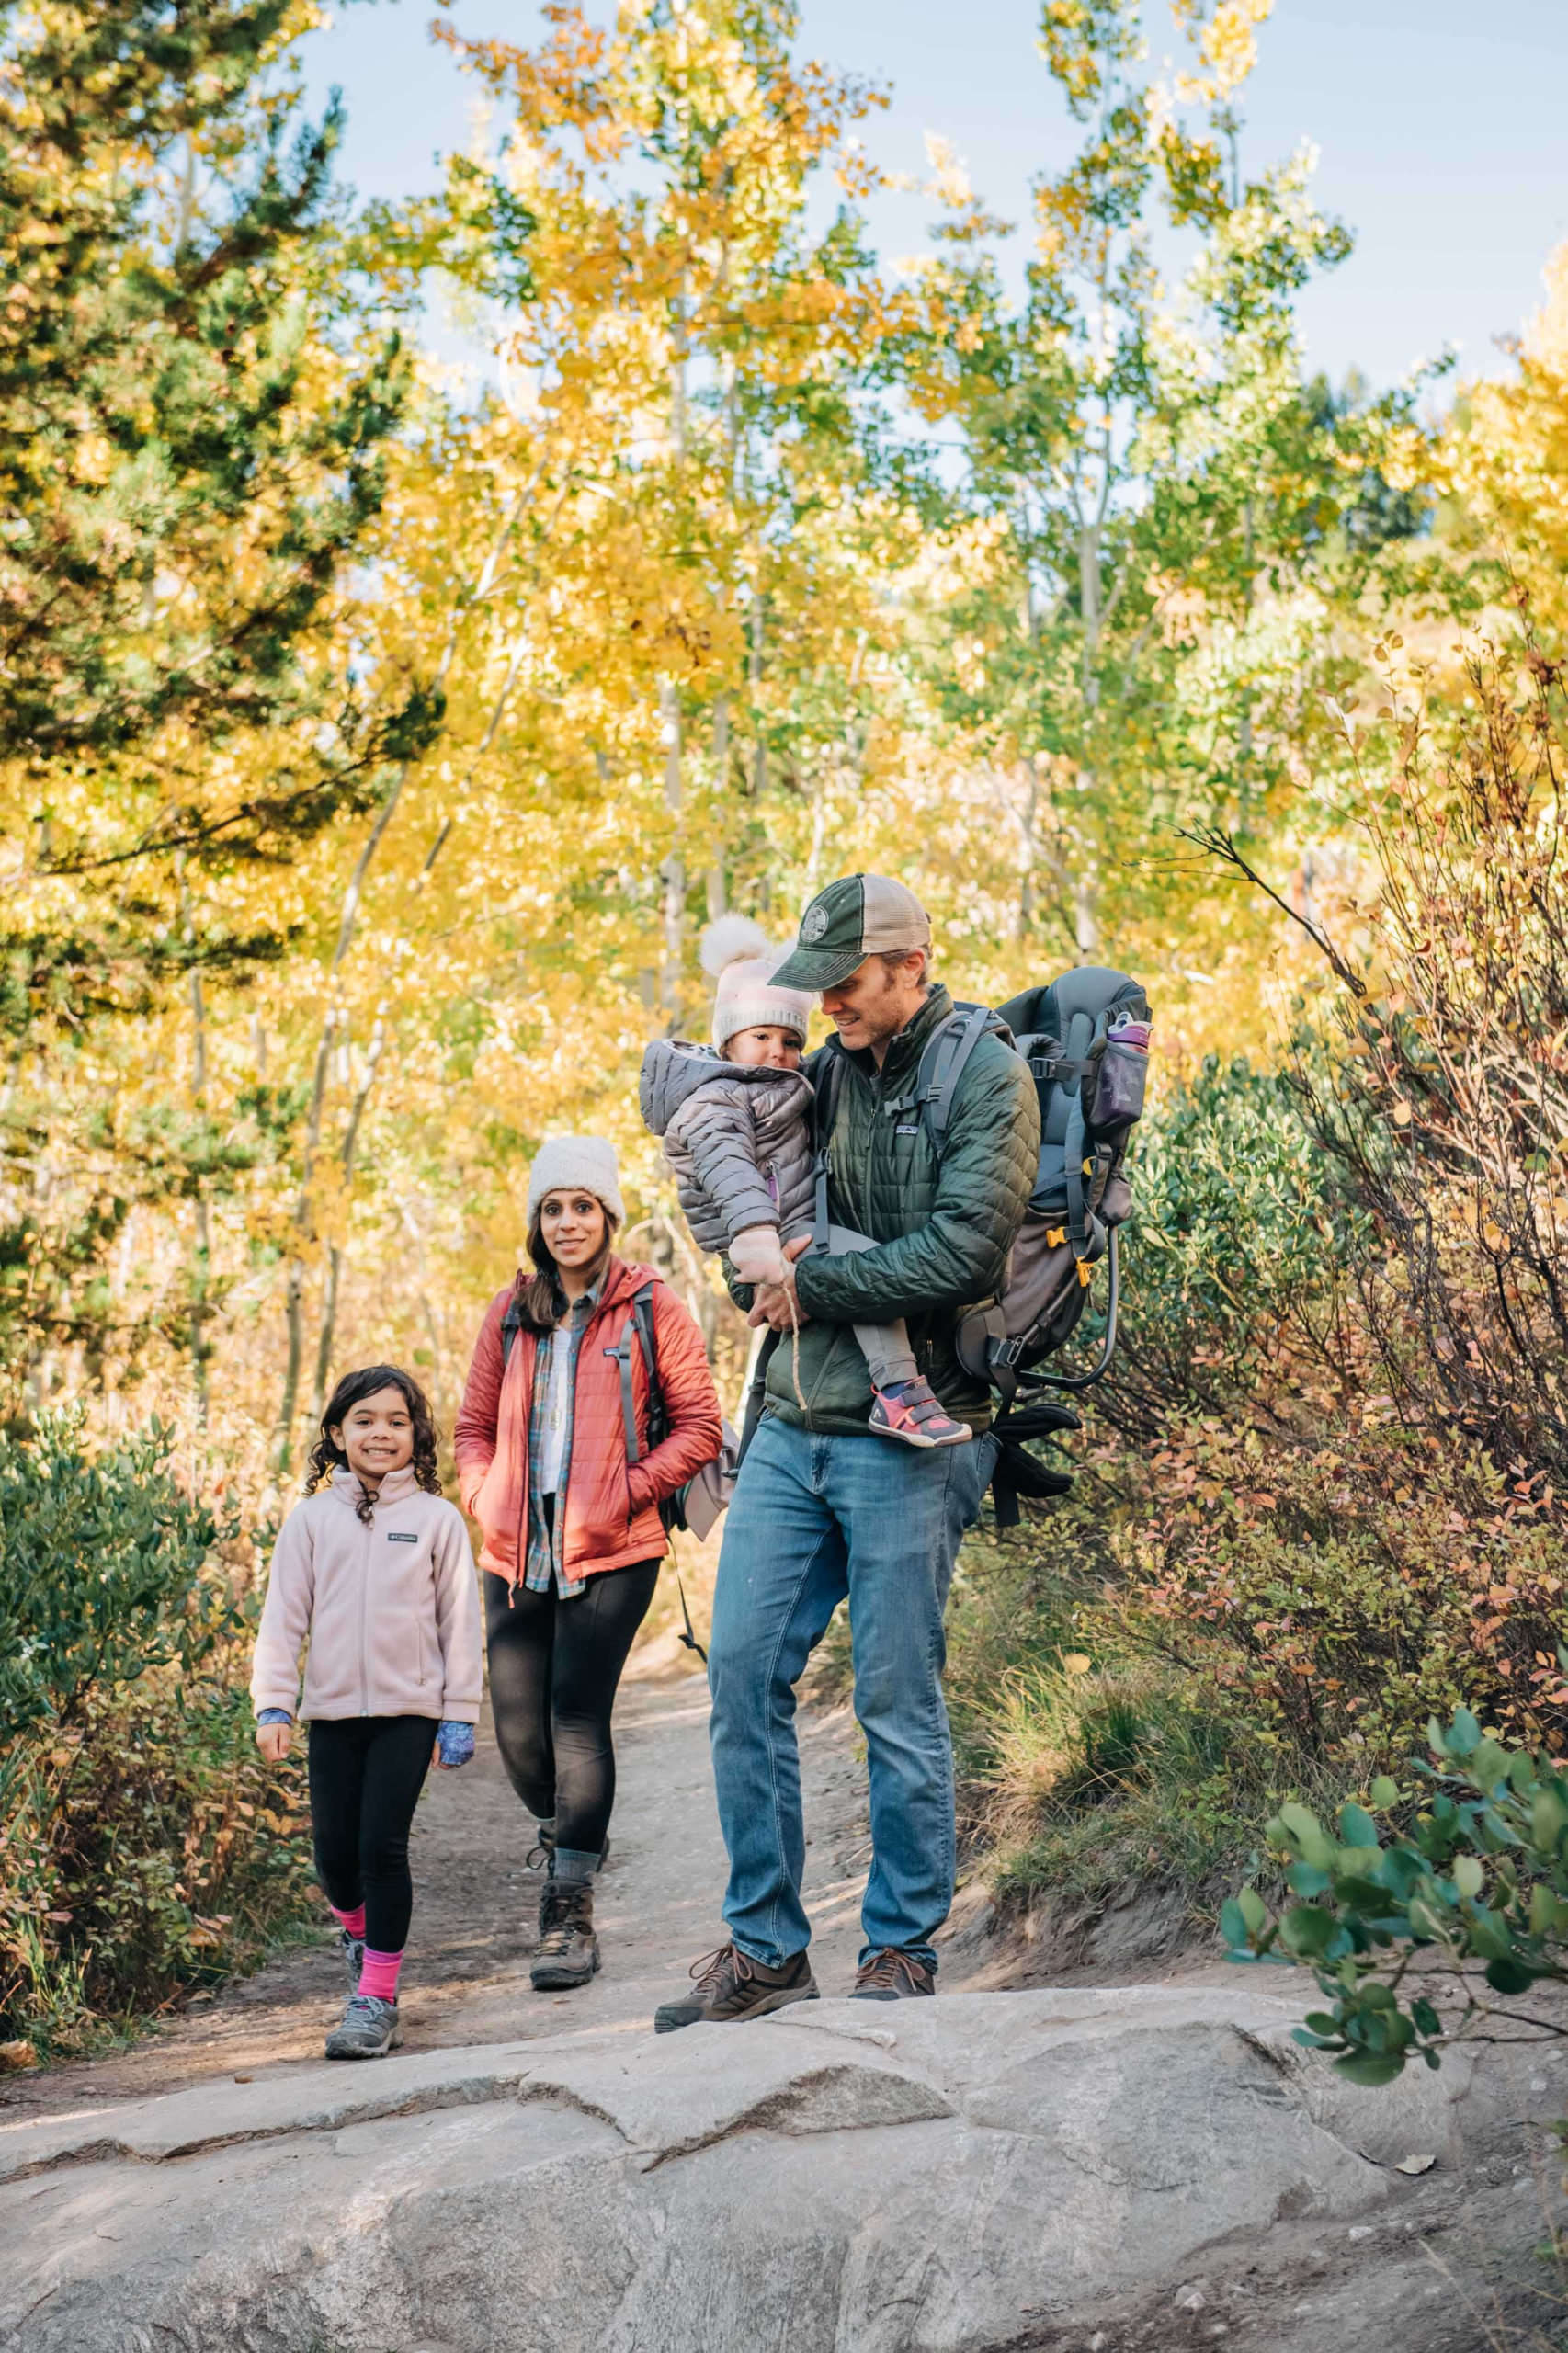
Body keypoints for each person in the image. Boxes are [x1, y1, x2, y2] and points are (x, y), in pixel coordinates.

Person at [655, 873, 1040, 2031]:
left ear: (909, 964)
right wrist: (749, 1252)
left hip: (911, 1431)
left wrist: (802, 1279)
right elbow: (746, 1224)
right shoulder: (816, 1070)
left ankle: (900, 1948)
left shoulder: (985, 1073)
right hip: (791, 1422)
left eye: (844, 981)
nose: (822, 1002)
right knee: (737, 1676)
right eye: (813, 981)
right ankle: (767, 1947)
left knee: (894, 1697)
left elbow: (963, 1256)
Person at [454, 1138, 722, 1992]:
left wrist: (627, 1493)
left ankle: (568, 1908)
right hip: (513, 1550)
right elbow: (468, 1428)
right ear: (536, 1222)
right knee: (519, 1735)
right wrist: (481, 1494)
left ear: (608, 1216)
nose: (567, 1222)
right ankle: (570, 1831)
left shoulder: (650, 1305)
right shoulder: (509, 1312)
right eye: (552, 1207)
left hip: (614, 1549)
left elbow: (700, 1425)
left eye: (582, 1206)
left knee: (576, 1719)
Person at [640, 915, 971, 1447]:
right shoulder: (714, 1100)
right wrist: (755, 1237)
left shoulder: (783, 1086)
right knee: (859, 1265)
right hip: (763, 1232)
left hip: (784, 1226)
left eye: (791, 1039)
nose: (779, 1050)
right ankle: (899, 1391)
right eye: (761, 1035)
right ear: (728, 1044)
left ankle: (896, 1390)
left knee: (853, 1270)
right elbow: (729, 1172)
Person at [251, 1365, 483, 2062]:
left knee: (382, 1846)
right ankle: (359, 1938)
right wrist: (273, 1703)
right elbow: (282, 1620)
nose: (380, 1433)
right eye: (364, 1420)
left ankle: (376, 1998)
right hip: (330, 1713)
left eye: (396, 1420)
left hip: (409, 1709)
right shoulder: (312, 1520)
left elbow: (460, 1622)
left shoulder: (437, 1521)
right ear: (337, 1432)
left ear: (417, 1434)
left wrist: (460, 1711)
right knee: (334, 1858)